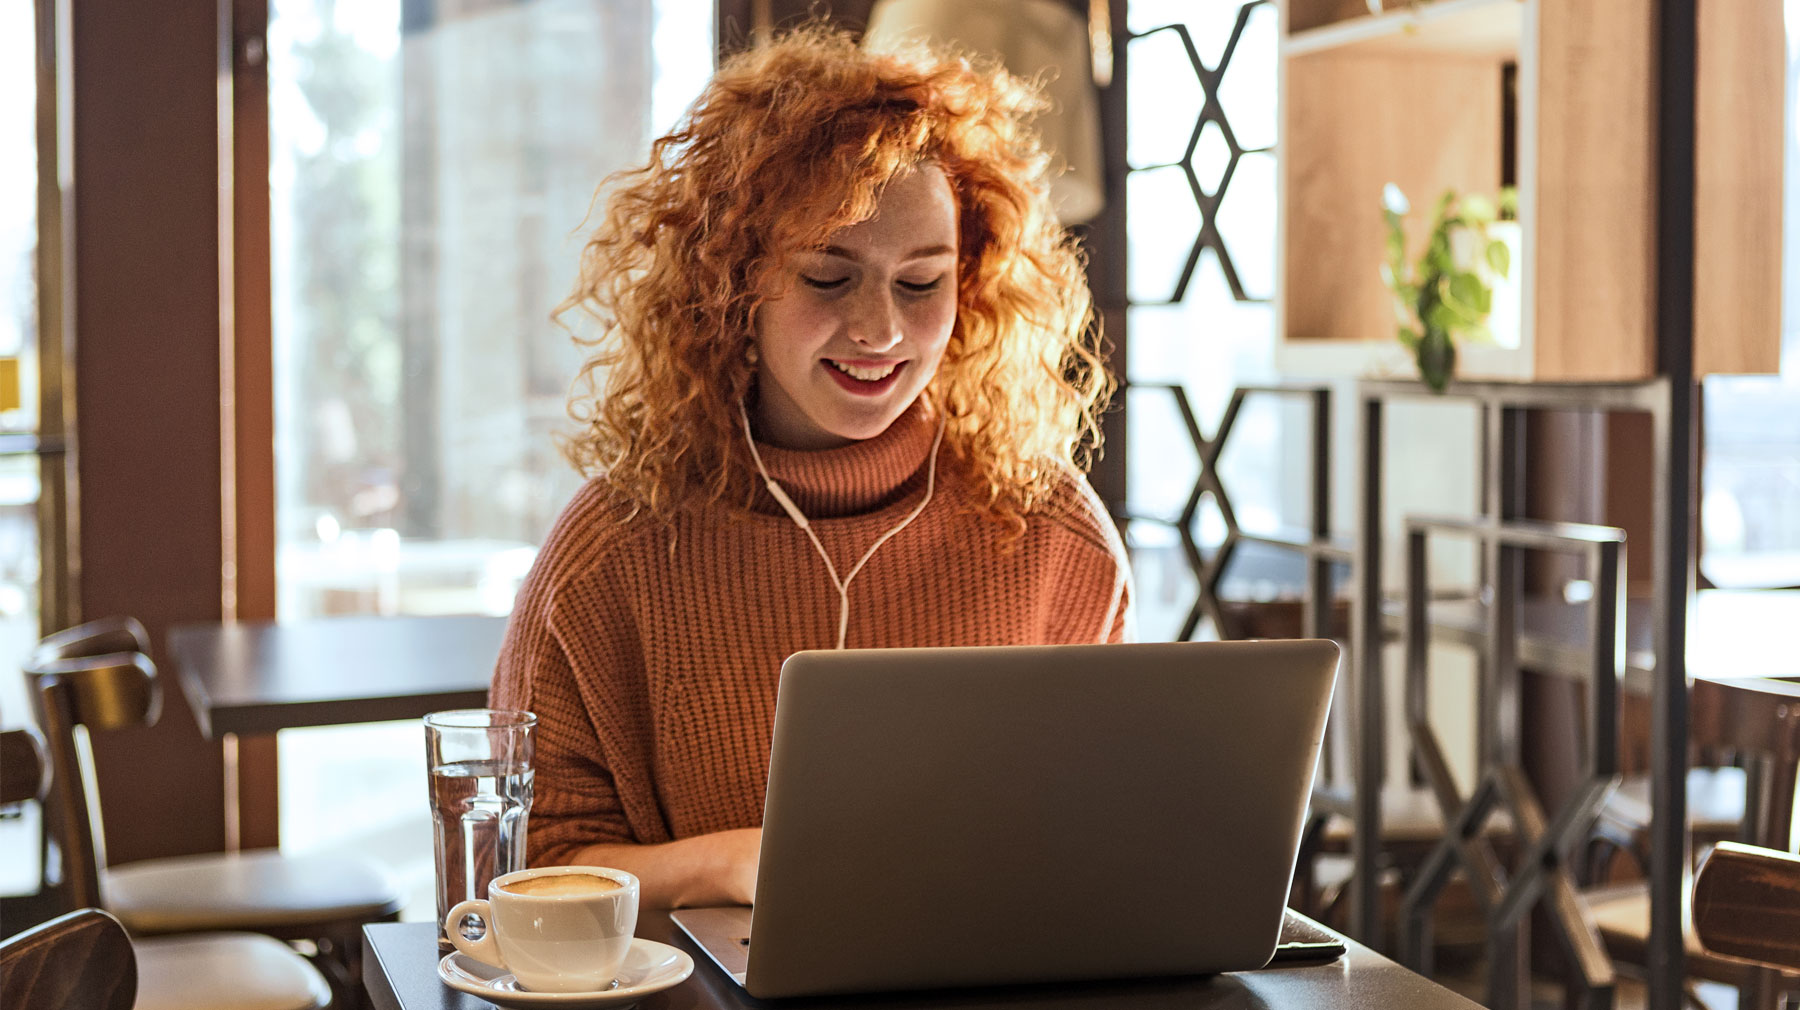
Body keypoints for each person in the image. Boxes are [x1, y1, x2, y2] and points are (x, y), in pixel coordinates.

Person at [490, 24, 1132, 910]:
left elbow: (1109, 830)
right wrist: (728, 865)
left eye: (921, 283)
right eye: (829, 278)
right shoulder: (615, 551)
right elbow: (523, 867)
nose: (880, 331)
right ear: (730, 280)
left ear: (972, 282)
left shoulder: (1050, 532)